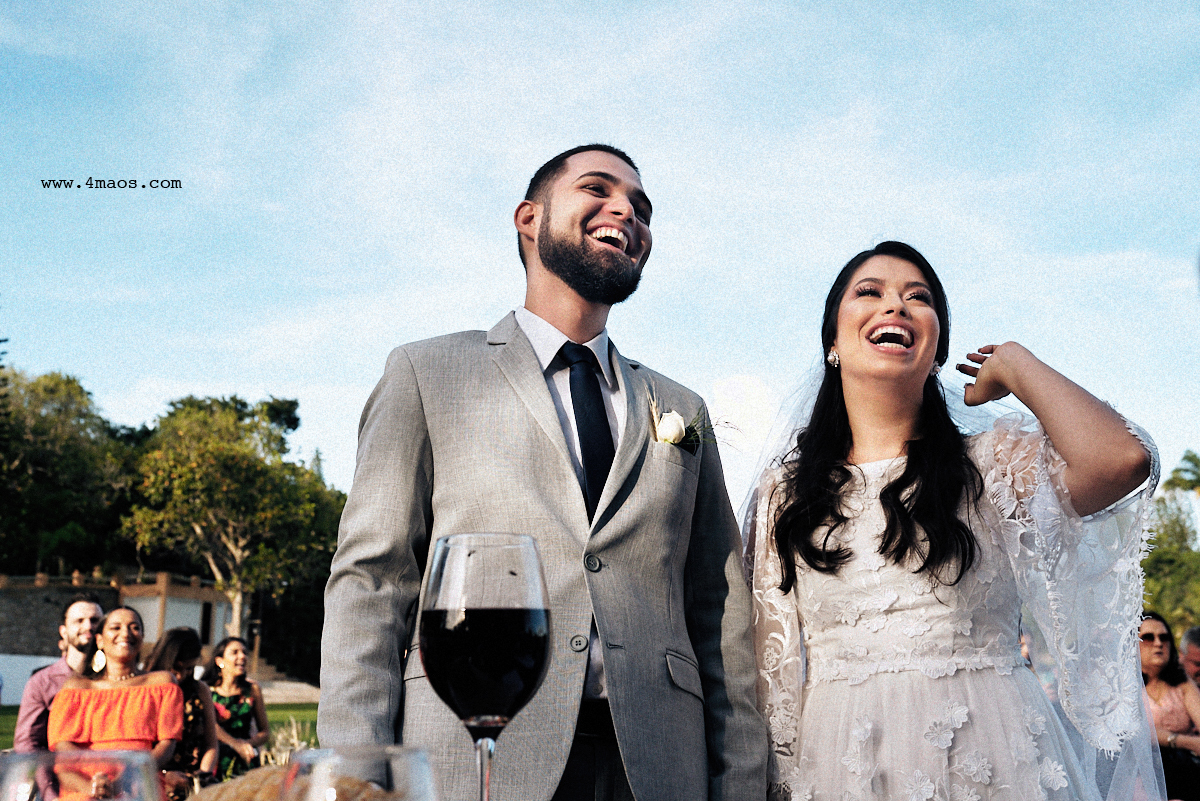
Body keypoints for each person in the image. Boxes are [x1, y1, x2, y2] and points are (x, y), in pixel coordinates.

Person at [318, 144, 767, 800]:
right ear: (529, 218)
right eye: (599, 189)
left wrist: (741, 785)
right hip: (471, 756)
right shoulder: (425, 373)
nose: (627, 211)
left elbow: (719, 609)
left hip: (659, 767)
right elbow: (373, 583)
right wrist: (354, 778)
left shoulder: (681, 409)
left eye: (641, 207)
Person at [744, 241, 1161, 800]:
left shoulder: (991, 464)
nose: (895, 306)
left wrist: (1017, 365)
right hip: (844, 763)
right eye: (870, 293)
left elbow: (1122, 460)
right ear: (833, 342)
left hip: (994, 750)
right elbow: (767, 671)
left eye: (918, 298)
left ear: (936, 346)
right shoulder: (785, 493)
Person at [47, 607, 183, 799]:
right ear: (100, 640)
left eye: (134, 627)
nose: (125, 633)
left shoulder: (162, 683)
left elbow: (166, 747)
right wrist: (95, 787)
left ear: (142, 638)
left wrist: (126, 778)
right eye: (116, 627)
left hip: (138, 784)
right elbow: (63, 752)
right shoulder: (75, 688)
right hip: (83, 786)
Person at [14, 594, 103, 752]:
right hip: (60, 773)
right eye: (79, 621)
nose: (88, 626)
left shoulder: (119, 677)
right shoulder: (42, 682)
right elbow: (27, 743)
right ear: (63, 631)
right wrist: (48, 778)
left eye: (95, 620)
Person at [148, 628, 220, 799]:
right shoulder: (147, 689)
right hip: (155, 780)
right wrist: (164, 775)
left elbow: (211, 744)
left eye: (188, 669)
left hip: (193, 783)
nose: (180, 676)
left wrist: (202, 776)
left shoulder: (199, 690)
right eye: (175, 669)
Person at [1140, 612, 1200, 801]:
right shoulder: (1124, 689)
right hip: (1143, 777)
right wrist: (1186, 741)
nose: (1158, 643)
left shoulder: (1183, 684)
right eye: (1148, 638)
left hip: (1186, 770)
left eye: (1164, 637)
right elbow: (1137, 732)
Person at [203, 636, 269, 780]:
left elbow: (265, 732)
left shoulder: (252, 690)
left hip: (245, 761)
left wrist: (246, 744)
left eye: (244, 652)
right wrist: (234, 744)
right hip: (215, 760)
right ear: (219, 661)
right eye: (235, 652)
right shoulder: (207, 690)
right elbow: (209, 725)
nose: (242, 656)